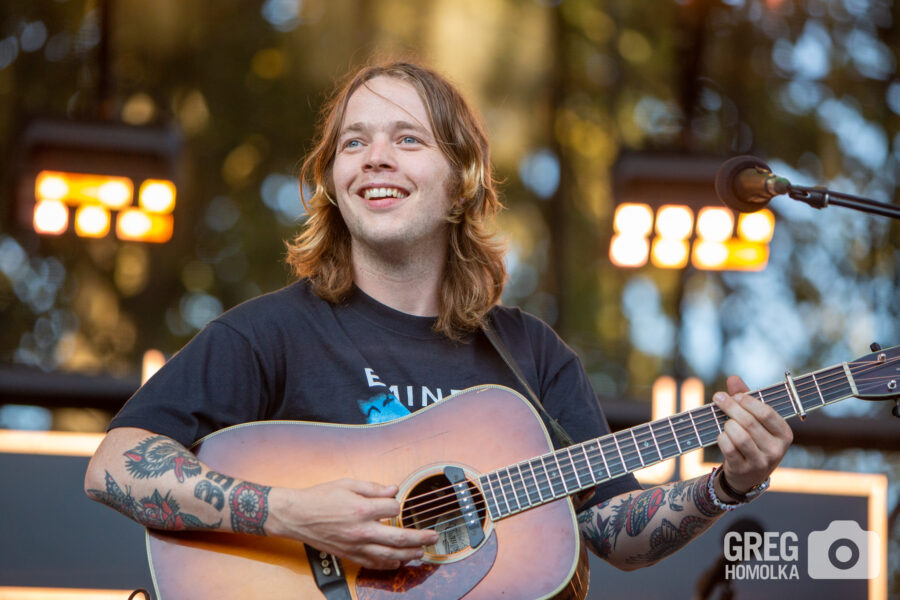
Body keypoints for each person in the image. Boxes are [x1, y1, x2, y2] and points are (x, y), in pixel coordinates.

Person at [84, 61, 793, 579]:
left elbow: (614, 533)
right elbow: (114, 465)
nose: (375, 159)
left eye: (407, 139)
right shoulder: (269, 334)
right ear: (332, 182)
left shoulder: (530, 354)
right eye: (353, 143)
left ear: (463, 180)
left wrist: (728, 483)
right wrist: (291, 513)